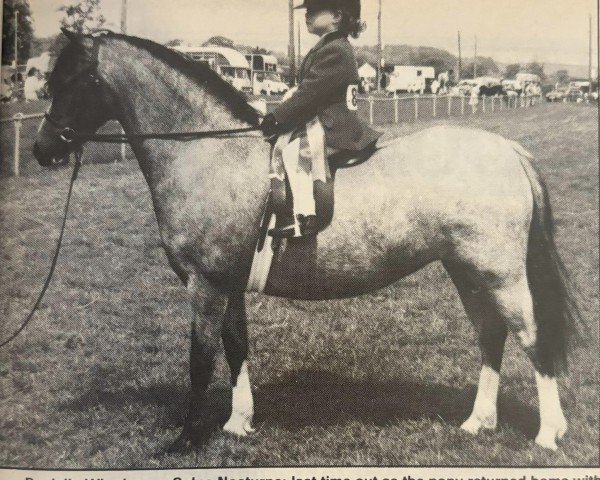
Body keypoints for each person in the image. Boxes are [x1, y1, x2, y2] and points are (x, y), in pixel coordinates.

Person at [260, 0, 382, 238]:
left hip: (335, 125)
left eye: (314, 11)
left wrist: (277, 117)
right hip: (325, 119)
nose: (307, 15)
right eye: (307, 10)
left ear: (337, 15)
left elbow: (310, 93)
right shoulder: (328, 45)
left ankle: (303, 218)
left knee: (295, 152)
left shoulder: (335, 49)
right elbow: (306, 90)